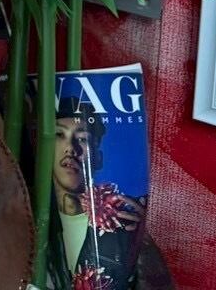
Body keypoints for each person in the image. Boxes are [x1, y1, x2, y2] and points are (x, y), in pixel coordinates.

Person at [51, 97, 146, 287]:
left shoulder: (123, 220)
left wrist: (142, 248)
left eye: (82, 139)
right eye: (59, 135)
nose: (70, 148)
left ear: (98, 158)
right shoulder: (25, 214)